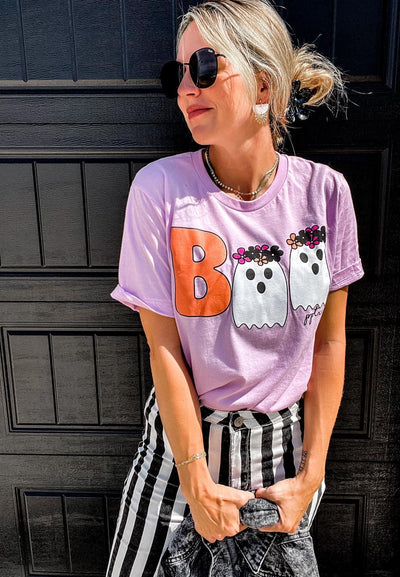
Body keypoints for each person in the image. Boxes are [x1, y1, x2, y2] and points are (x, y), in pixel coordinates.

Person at [106, 1, 364, 576]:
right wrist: (196, 481)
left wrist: (312, 474)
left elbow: (329, 344)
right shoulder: (159, 191)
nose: (185, 89)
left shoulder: (326, 194)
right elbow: (164, 348)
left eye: (203, 67)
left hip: (285, 461)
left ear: (264, 83)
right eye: (177, 74)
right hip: (180, 453)